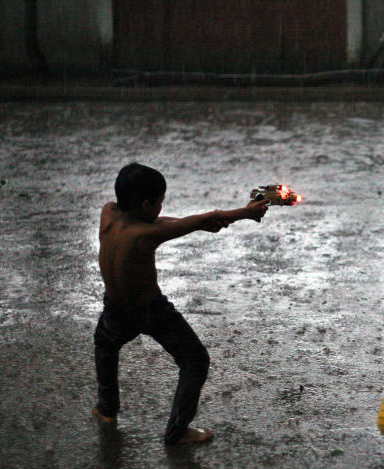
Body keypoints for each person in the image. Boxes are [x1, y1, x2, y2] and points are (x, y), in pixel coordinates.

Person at [92, 162, 268, 444]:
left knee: (105, 345)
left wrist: (194, 224)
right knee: (195, 361)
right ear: (148, 203)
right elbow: (200, 219)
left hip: (115, 308)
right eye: (160, 203)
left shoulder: (108, 213)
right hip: (151, 311)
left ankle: (106, 408)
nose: (161, 208)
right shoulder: (144, 236)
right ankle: (177, 431)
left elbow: (167, 223)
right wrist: (247, 213)